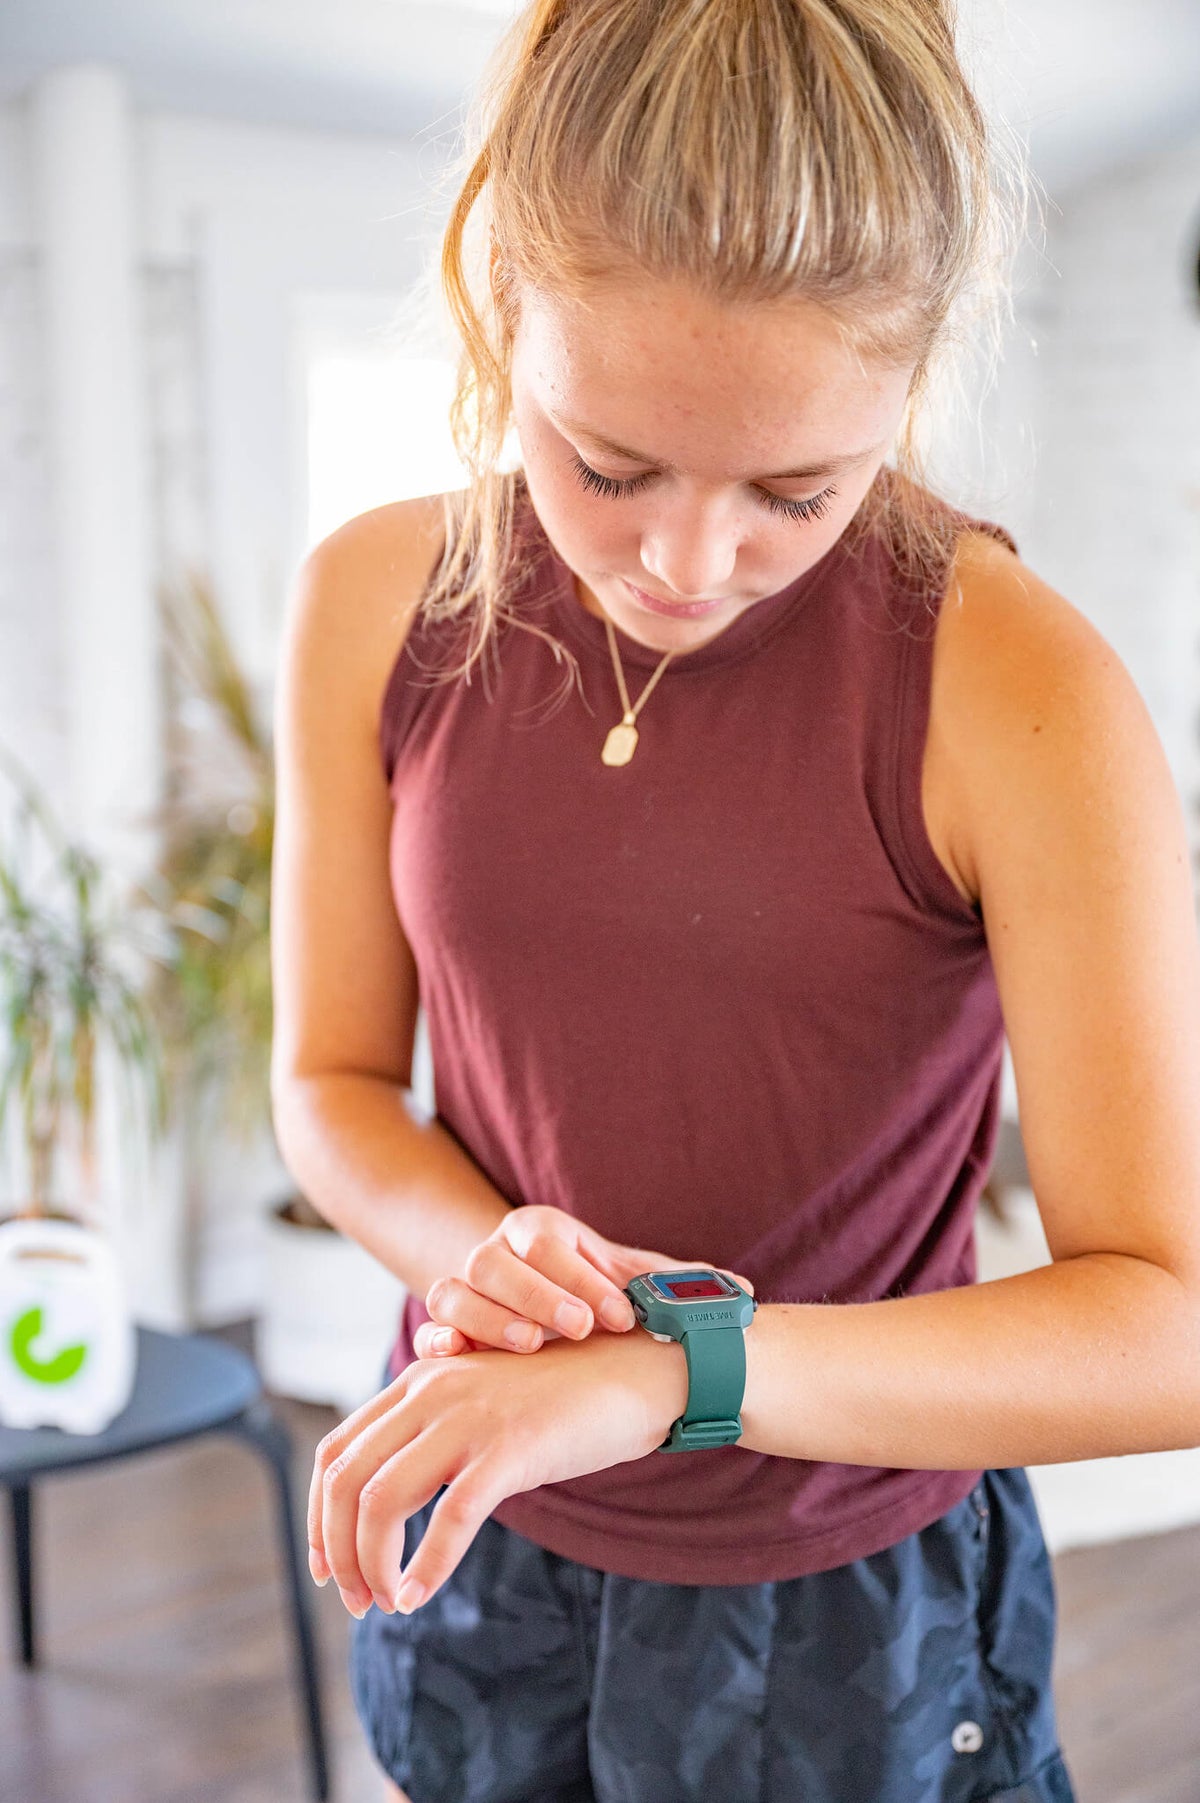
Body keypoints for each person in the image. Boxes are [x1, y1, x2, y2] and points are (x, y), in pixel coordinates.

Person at [270, 3, 1200, 1801]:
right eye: (605, 462)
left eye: (800, 490)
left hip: (847, 1594)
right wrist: (484, 1265)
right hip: (479, 1511)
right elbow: (334, 1090)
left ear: (912, 379)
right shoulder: (379, 604)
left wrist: (669, 1372)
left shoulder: (1022, 688)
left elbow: (1166, 1326)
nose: (686, 567)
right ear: (494, 300)